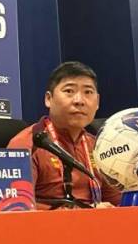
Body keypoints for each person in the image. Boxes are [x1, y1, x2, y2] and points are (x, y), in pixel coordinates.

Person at [8, 61, 120, 208]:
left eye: (88, 92)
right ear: (48, 99)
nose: (79, 101)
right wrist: (83, 213)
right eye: (69, 91)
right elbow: (18, 207)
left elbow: (117, 201)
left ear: (97, 102)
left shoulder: (98, 146)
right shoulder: (28, 144)